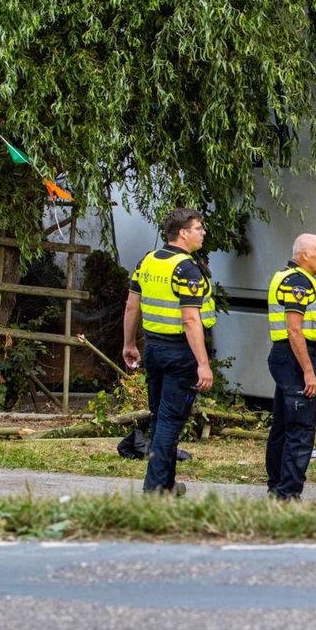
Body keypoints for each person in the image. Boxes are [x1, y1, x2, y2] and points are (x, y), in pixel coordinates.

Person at [123, 208, 215, 495]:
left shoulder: (147, 261)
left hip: (153, 349)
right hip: (180, 354)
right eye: (198, 228)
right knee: (170, 422)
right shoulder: (186, 269)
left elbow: (131, 306)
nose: (202, 233)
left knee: (161, 417)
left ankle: (167, 484)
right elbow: (190, 320)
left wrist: (129, 344)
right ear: (183, 233)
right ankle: (155, 488)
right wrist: (203, 363)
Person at [264, 234, 316, 500]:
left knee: (282, 423)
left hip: (285, 357)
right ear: (304, 255)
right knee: (300, 428)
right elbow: (294, 330)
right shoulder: (299, 282)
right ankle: (288, 492)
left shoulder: (284, 276)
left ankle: (276, 484)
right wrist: (309, 371)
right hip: (294, 358)